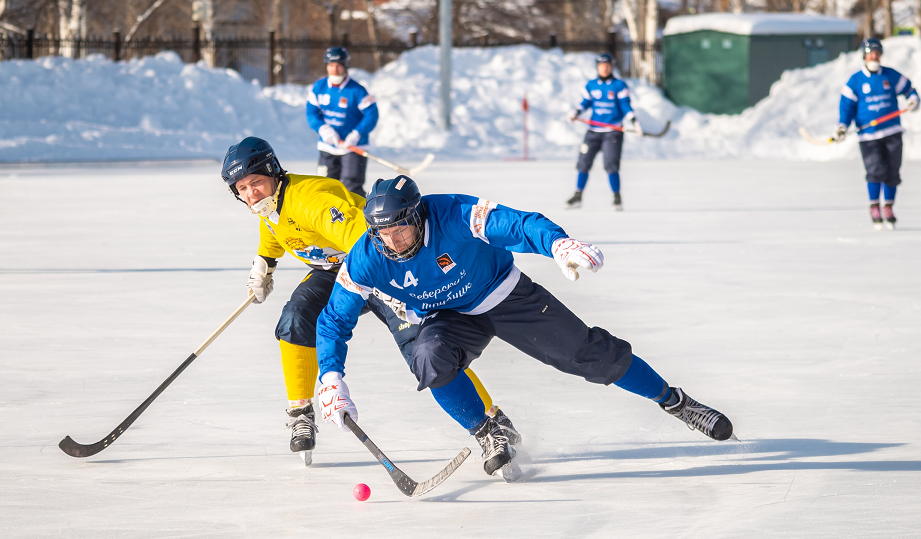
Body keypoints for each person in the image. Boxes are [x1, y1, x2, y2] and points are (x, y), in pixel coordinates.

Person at [314, 175, 734, 480]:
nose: (395, 240)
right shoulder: (366, 258)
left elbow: (517, 224)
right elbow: (335, 319)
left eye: (401, 228)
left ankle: (675, 401)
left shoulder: (454, 213)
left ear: (418, 215)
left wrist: (557, 243)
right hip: (447, 317)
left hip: (505, 296)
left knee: (591, 356)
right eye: (384, 233)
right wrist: (330, 375)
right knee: (427, 357)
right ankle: (489, 432)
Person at [220, 137, 515, 465]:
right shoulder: (270, 205)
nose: (251, 194)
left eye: (256, 183)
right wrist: (264, 264)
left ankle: (491, 423)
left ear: (274, 173)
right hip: (334, 271)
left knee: (422, 349)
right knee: (295, 317)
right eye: (242, 188)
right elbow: (274, 230)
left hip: (378, 267)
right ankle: (301, 412)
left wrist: (394, 291)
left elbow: (366, 242)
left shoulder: (312, 202)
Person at [835, 38, 920, 230]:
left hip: (892, 132)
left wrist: (914, 100)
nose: (874, 56)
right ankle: (874, 206)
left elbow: (909, 90)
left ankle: (888, 207)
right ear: (864, 56)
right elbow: (846, 107)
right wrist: (842, 126)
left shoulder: (889, 75)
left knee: (892, 171)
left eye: (877, 53)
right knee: (875, 171)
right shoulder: (855, 81)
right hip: (868, 135)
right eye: (870, 53)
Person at [565, 52, 639, 212]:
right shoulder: (591, 85)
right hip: (593, 131)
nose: (604, 68)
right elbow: (585, 103)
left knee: (611, 165)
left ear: (611, 66)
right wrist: (576, 112)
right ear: (597, 67)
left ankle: (616, 197)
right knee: (583, 164)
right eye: (601, 66)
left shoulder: (619, 85)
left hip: (612, 132)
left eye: (607, 65)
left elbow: (625, 105)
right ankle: (578, 195)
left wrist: (633, 120)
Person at [305, 47, 378, 196]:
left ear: (345, 66)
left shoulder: (357, 90)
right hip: (328, 147)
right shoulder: (319, 87)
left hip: (353, 148)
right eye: (331, 65)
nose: (334, 70)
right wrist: (323, 129)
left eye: (338, 66)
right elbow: (311, 113)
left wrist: (356, 134)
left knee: (352, 189)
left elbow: (372, 114)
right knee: (326, 189)